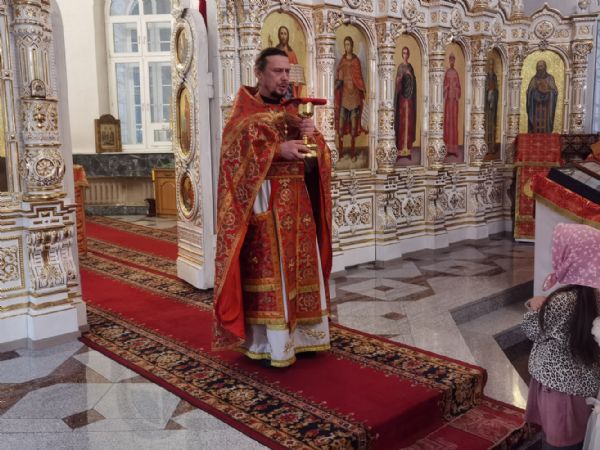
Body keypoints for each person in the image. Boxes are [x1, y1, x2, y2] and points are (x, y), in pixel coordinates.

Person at [212, 47, 333, 368]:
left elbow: (317, 161)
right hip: (266, 208)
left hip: (298, 207)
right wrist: (277, 150)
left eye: (287, 71)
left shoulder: (293, 112)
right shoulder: (243, 115)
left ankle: (306, 337)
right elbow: (233, 158)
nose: (284, 78)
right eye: (277, 71)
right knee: (274, 273)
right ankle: (272, 344)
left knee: (301, 270)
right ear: (259, 73)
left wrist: (312, 139)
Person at [523, 223, 600, 450]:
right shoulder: (594, 296)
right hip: (585, 384)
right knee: (579, 435)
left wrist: (534, 306)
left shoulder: (562, 300)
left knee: (558, 442)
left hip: (558, 389)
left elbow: (532, 329)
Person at [334, 36, 367, 161]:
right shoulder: (342, 60)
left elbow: (359, 77)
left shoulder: (356, 61)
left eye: (349, 44)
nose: (347, 47)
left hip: (354, 98)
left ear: (352, 46)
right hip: (344, 97)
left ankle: (353, 153)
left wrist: (363, 90)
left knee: (353, 126)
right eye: (345, 44)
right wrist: (336, 84)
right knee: (341, 126)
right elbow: (339, 76)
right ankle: (340, 152)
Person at [394, 46, 417, 159]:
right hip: (402, 100)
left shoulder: (410, 67)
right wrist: (401, 77)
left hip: (410, 99)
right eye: (403, 53)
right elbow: (397, 83)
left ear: (409, 55)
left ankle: (407, 150)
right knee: (402, 122)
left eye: (407, 53)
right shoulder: (400, 67)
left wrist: (410, 75)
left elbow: (414, 82)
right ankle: (400, 150)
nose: (405, 55)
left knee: (409, 122)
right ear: (402, 54)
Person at [526, 59, 558, 133]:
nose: (540, 68)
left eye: (541, 66)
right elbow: (529, 92)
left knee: (546, 122)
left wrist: (548, 92)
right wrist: (535, 91)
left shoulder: (550, 78)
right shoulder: (534, 79)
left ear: (545, 67)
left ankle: (548, 130)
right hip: (535, 107)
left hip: (547, 107)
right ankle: (533, 130)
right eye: (538, 66)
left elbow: (554, 92)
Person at [275, 25, 303, 99]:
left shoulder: (291, 53)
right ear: (279, 35)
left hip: (290, 86)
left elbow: (297, 73)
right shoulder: (275, 51)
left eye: (285, 34)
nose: (283, 36)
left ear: (288, 36)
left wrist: (297, 80)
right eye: (281, 33)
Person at [443, 53, 461, 156]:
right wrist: (447, 87)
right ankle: (447, 149)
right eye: (450, 60)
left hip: (454, 102)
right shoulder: (447, 73)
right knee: (448, 123)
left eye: (453, 60)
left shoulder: (456, 73)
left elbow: (459, 87)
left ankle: (454, 150)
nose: (452, 61)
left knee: (454, 124)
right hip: (448, 102)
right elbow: (444, 86)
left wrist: (456, 90)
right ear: (449, 61)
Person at [484, 59, 499, 155]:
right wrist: (488, 90)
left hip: (493, 108)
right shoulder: (486, 77)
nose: (491, 67)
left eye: (492, 65)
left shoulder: (494, 77)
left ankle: (492, 147)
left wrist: (494, 91)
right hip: (486, 107)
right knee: (486, 126)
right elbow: (482, 90)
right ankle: (485, 147)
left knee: (492, 126)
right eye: (490, 65)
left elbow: (497, 90)